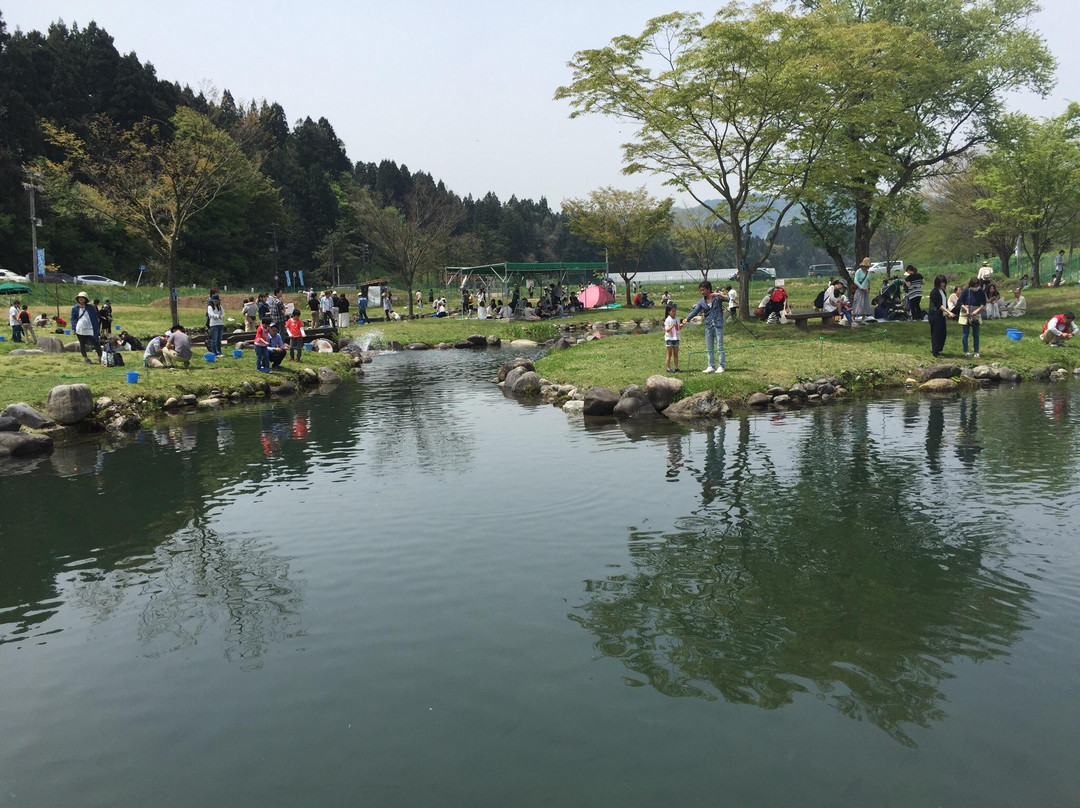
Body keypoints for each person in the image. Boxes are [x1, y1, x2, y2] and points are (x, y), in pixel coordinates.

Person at [682, 280, 727, 373]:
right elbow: (695, 311)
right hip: (708, 326)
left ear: (708, 289)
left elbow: (729, 299)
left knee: (719, 346)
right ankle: (711, 366)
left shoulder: (717, 298)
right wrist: (687, 319)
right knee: (709, 347)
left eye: (703, 290)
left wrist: (719, 294)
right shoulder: (701, 301)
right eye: (701, 290)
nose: (702, 292)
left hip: (718, 325)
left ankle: (721, 366)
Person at [957, 277, 987, 358]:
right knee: (965, 334)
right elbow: (959, 302)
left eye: (977, 286)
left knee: (976, 334)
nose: (976, 288)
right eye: (974, 286)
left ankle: (976, 351)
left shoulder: (981, 292)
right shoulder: (966, 291)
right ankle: (966, 351)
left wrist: (977, 311)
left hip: (976, 314)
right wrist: (966, 309)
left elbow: (983, 303)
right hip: (965, 314)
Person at [927, 274, 954, 358]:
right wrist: (948, 312)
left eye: (944, 282)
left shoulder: (943, 291)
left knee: (943, 333)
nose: (943, 284)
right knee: (936, 333)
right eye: (941, 282)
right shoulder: (934, 292)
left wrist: (948, 311)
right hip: (935, 315)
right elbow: (938, 305)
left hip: (941, 315)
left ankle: (937, 348)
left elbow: (944, 303)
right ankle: (935, 351)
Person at [71, 291, 101, 364]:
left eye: (82, 298)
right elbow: (73, 319)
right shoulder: (75, 308)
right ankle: (86, 358)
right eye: (79, 298)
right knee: (82, 344)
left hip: (90, 328)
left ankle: (100, 357)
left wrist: (97, 328)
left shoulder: (91, 307)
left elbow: (95, 318)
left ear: (85, 299)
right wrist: (74, 328)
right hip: (80, 328)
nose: (81, 299)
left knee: (96, 343)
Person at [662, 302, 682, 372]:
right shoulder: (667, 320)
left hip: (676, 338)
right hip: (669, 338)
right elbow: (667, 330)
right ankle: (668, 368)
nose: (674, 313)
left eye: (675, 311)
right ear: (668, 312)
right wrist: (672, 326)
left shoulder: (677, 319)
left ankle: (676, 367)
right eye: (672, 311)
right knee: (669, 354)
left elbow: (678, 328)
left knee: (676, 354)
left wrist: (682, 325)